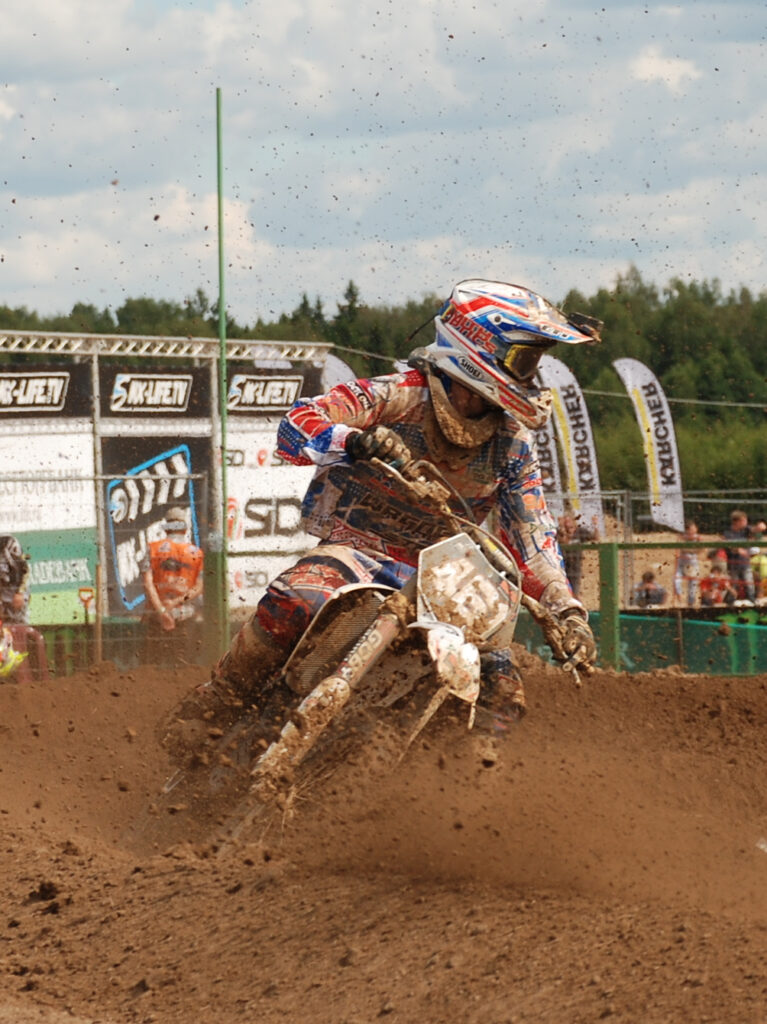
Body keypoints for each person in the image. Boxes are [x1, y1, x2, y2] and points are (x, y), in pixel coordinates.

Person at [174, 278, 601, 741]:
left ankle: (448, 791)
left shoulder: (513, 445)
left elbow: (533, 540)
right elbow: (296, 426)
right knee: (297, 599)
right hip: (358, 550)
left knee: (502, 693)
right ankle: (218, 697)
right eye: (524, 359)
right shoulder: (399, 396)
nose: (529, 376)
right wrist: (353, 440)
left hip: (445, 582)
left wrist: (569, 611)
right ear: (478, 346)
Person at [141, 507, 204, 668]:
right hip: (184, 613)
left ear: (167, 526)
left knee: (151, 665)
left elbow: (148, 584)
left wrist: (162, 611)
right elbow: (198, 587)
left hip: (157, 613)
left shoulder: (153, 548)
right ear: (185, 527)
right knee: (182, 663)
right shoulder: (196, 553)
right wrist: (176, 602)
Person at [556, 511, 598, 600]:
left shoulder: (580, 532)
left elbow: (595, 538)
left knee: (574, 591)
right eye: (566, 524)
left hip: (575, 567)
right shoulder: (560, 532)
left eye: (570, 523)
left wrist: (595, 525)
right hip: (562, 566)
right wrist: (562, 529)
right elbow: (563, 541)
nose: (568, 527)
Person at [722, 509, 755, 602]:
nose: (746, 522)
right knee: (734, 585)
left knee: (749, 583)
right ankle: (731, 603)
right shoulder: (728, 533)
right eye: (744, 520)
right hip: (733, 564)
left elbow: (755, 531)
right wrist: (738, 550)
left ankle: (752, 602)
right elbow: (726, 544)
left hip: (745, 563)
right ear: (737, 522)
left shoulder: (746, 530)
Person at [0, 535, 31, 625]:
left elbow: (24, 570)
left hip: (14, 592)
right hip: (2, 594)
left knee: (18, 626)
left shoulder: (8, 543)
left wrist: (20, 593)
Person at [672, 520, 700, 607]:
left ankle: (690, 602)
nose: (694, 530)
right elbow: (678, 548)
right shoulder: (681, 537)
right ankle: (679, 597)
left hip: (693, 564)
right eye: (692, 529)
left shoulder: (698, 538)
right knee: (676, 579)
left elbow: (701, 550)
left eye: (694, 528)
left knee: (693, 584)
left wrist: (688, 550)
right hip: (681, 564)